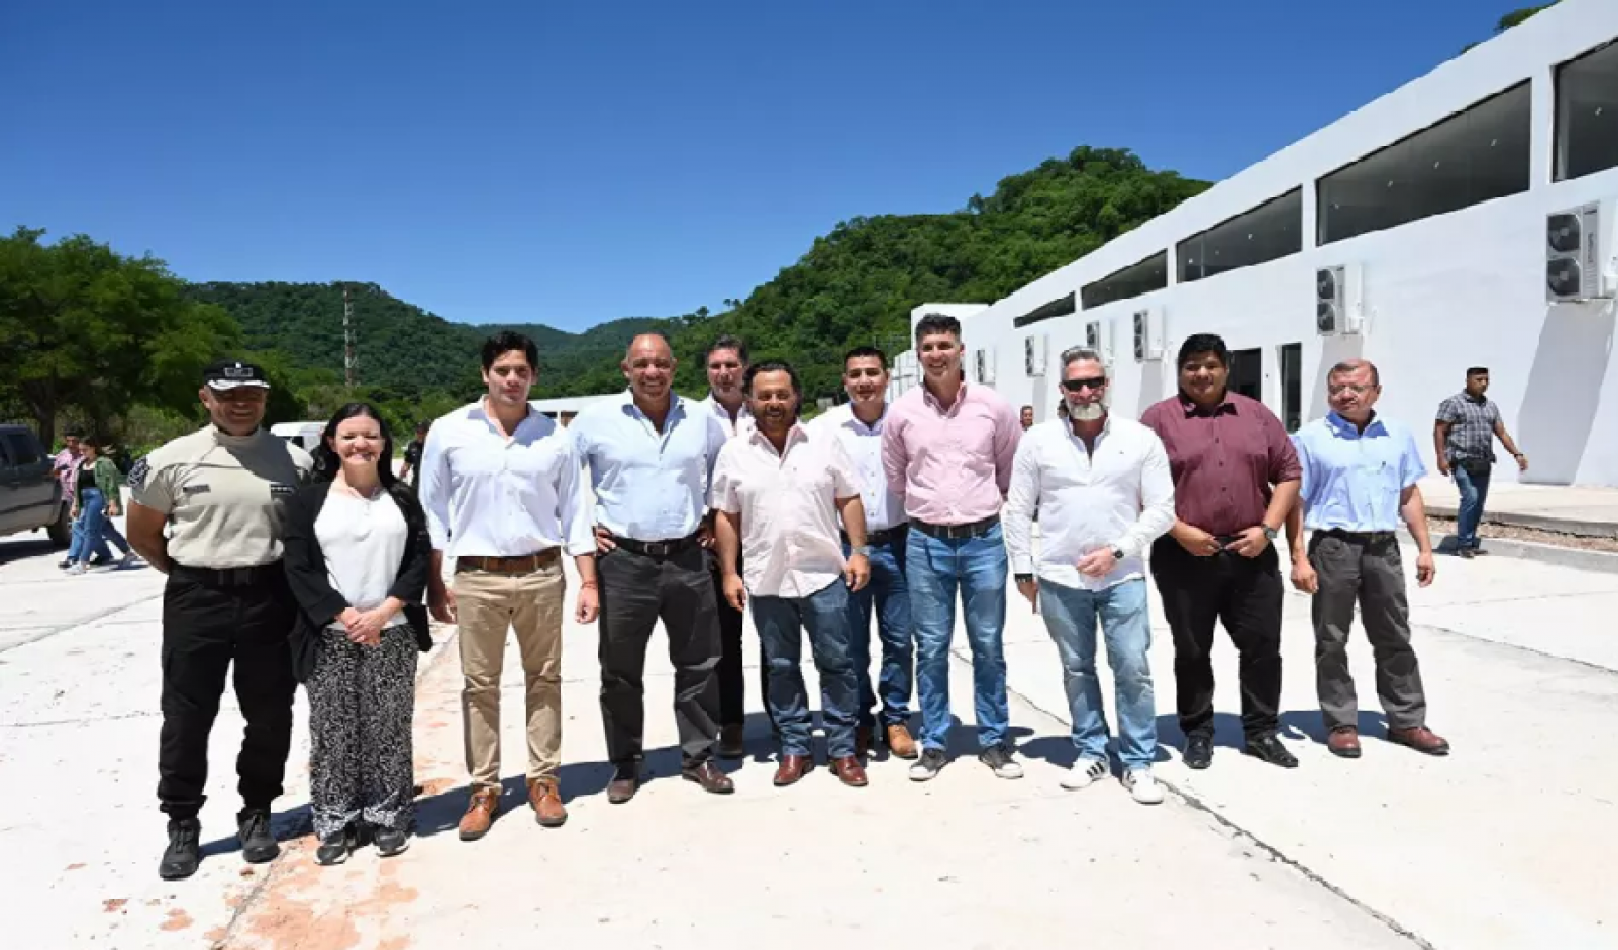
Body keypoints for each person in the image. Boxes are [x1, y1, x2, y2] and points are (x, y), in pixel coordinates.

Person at [125, 359, 314, 880]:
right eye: (229, 394)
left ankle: (257, 813)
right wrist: (189, 574)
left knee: (270, 714)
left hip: (269, 598)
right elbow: (141, 533)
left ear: (265, 399)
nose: (241, 403)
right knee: (187, 716)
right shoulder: (171, 460)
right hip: (197, 597)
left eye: (252, 393)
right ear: (206, 397)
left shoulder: (294, 462)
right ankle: (182, 822)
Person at [418, 331, 598, 842]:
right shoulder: (450, 432)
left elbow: (576, 513)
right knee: (480, 686)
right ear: (485, 374)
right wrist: (436, 581)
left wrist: (588, 581)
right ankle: (484, 789)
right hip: (477, 576)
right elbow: (432, 512)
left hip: (542, 572)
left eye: (521, 370)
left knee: (545, 679)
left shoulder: (555, 437)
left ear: (535, 376)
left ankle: (544, 780)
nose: (512, 379)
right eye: (503, 370)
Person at [1004, 348, 1175, 804]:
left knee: (1132, 669)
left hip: (1123, 577)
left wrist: (1118, 550)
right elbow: (1018, 508)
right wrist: (1023, 568)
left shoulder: (1140, 439)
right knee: (1077, 668)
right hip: (1060, 576)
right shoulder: (1038, 441)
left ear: (1107, 384)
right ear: (1062, 389)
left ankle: (1139, 762)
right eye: (1075, 384)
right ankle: (1091, 750)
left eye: (1093, 382)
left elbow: (1162, 509)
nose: (1085, 391)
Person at [570, 333, 734, 803]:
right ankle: (625, 763)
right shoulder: (595, 421)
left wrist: (709, 519)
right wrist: (585, 531)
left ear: (675, 366)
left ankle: (699, 756)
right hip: (623, 562)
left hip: (687, 558)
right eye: (642, 363)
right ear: (626, 369)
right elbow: (561, 483)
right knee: (620, 671)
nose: (652, 372)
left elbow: (723, 478)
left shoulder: (701, 421)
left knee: (700, 664)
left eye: (661, 363)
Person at [1140, 333, 1302, 771]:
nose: (1202, 374)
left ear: (1227, 367)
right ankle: (1197, 731)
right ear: (1180, 370)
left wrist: (1268, 530)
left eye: (1211, 364)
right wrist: (1178, 531)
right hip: (1184, 554)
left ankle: (1262, 731)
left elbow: (1289, 473)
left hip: (1252, 551)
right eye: (1192, 365)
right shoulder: (1157, 421)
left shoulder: (1257, 416)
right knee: (1192, 649)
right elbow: (1134, 487)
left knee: (1263, 647)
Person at [282, 403, 434, 865]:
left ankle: (389, 815)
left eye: (369, 436)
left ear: (384, 442)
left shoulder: (402, 498)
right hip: (330, 633)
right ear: (332, 442)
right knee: (333, 729)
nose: (360, 445)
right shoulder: (309, 500)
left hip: (393, 630)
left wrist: (385, 611)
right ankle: (335, 819)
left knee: (388, 726)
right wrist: (344, 615)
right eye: (349, 436)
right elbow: (299, 566)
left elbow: (417, 559)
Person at [712, 360, 872, 788]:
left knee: (837, 663)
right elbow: (726, 516)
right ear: (749, 401)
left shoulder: (823, 442)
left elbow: (850, 498)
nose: (774, 403)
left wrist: (858, 551)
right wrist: (730, 572)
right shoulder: (735, 453)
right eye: (764, 396)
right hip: (766, 578)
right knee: (781, 666)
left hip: (824, 574)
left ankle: (842, 749)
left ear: (796, 395)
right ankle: (794, 747)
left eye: (782, 394)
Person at [882, 312, 1023, 782]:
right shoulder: (902, 412)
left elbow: (1009, 470)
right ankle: (935, 741)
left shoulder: (993, 407)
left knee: (987, 644)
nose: (937, 354)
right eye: (928, 347)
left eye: (945, 344)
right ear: (918, 354)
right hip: (926, 543)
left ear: (961, 349)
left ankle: (995, 739)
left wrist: (977, 508)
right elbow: (898, 477)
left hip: (983, 540)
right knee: (933, 646)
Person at [1286, 361, 1450, 758]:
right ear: (1328, 394)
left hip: (1383, 549)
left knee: (1394, 636)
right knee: (1331, 639)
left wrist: (1424, 548)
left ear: (1376, 391)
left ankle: (1407, 720)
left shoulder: (1397, 434)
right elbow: (1296, 500)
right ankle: (1341, 722)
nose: (1346, 395)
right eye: (1338, 388)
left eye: (1356, 387)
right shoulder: (1310, 438)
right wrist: (1299, 557)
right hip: (1333, 548)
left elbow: (1407, 494)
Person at [811, 346, 918, 759]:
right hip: (846, 549)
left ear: (887, 377)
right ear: (844, 381)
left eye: (872, 372)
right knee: (850, 644)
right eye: (855, 374)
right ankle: (858, 720)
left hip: (901, 543)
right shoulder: (825, 429)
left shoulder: (907, 420)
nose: (864, 381)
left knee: (900, 640)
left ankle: (895, 718)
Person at [699, 334, 766, 756]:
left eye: (731, 365)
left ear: (744, 368)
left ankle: (783, 718)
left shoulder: (764, 408)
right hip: (716, 542)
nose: (724, 373)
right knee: (724, 640)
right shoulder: (692, 418)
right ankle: (732, 722)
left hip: (766, 537)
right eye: (715, 366)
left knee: (777, 636)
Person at [1433, 367, 1527, 559]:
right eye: (1479, 379)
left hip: (1483, 461)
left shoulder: (1490, 406)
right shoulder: (1453, 404)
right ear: (1468, 380)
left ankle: (1470, 541)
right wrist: (1441, 457)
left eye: (1486, 379)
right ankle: (1463, 543)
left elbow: (1501, 433)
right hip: (1461, 460)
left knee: (1478, 503)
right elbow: (1439, 430)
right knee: (1471, 497)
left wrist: (1517, 454)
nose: (1483, 383)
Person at [64, 437, 123, 575]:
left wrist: (112, 503)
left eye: (85, 450)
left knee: (89, 530)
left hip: (98, 498)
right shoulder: (82, 464)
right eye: (81, 450)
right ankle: (128, 552)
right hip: (85, 499)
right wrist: (75, 504)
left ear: (93, 448)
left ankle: (83, 563)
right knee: (103, 529)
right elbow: (78, 487)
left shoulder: (104, 463)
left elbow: (111, 484)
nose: (82, 452)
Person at [398, 420, 430, 491]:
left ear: (427, 433)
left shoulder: (432, 446)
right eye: (418, 432)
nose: (419, 434)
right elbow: (407, 463)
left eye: (422, 432)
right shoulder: (412, 446)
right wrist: (402, 474)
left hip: (430, 482)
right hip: (416, 482)